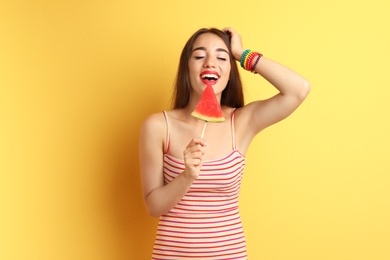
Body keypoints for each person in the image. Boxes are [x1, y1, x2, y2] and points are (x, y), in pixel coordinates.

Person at [139, 27, 310, 260]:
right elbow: (153, 207)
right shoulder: (159, 126)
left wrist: (242, 53)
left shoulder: (240, 123)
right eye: (199, 56)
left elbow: (298, 89)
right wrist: (186, 176)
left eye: (222, 57)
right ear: (186, 69)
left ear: (230, 71)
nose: (210, 63)